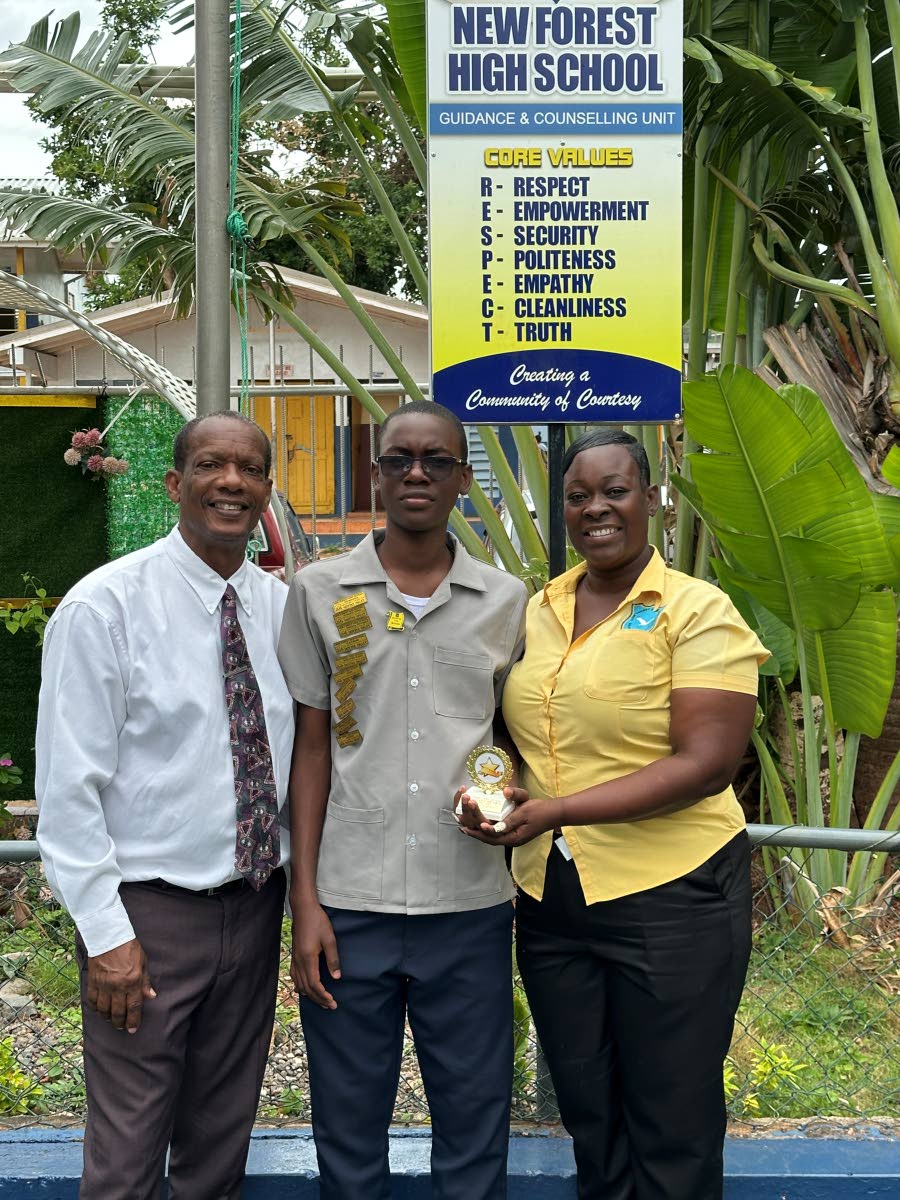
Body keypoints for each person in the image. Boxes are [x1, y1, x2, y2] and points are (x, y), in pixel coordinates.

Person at [458, 429, 769, 1200]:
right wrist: (486, 791)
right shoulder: (537, 609)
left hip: (673, 895)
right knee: (589, 1111)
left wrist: (559, 809)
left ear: (654, 500)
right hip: (553, 902)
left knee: (672, 1117)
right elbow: (504, 728)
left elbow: (707, 764)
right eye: (577, 495)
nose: (595, 507)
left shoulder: (696, 611)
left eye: (615, 490)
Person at [35, 411, 295, 1200]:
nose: (231, 482)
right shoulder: (103, 609)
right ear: (176, 484)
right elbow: (67, 793)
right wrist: (108, 936)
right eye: (212, 466)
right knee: (127, 1154)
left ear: (266, 493)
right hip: (147, 920)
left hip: (253, 909)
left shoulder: (281, 611)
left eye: (250, 469)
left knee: (220, 1144)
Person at [278, 400, 528, 1199]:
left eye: (435, 460)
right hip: (352, 906)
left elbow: (517, 736)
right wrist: (305, 902)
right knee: (347, 1129)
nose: (416, 473)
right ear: (377, 474)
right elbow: (311, 749)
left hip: (471, 905)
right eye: (398, 460)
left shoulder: (507, 601)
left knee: (476, 1119)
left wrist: (512, 790)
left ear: (461, 476)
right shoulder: (319, 592)